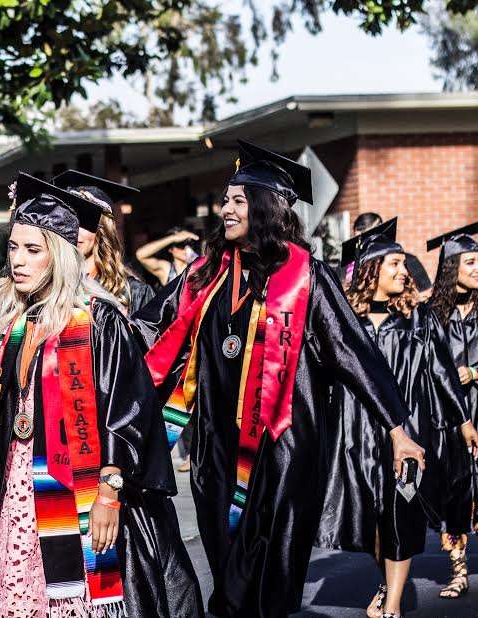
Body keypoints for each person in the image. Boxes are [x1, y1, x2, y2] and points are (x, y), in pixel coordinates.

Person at [132, 140, 426, 617]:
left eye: (237, 200)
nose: (225, 209)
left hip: (282, 445)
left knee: (264, 571)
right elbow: (148, 328)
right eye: (225, 200)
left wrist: (396, 429)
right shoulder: (205, 273)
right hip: (215, 445)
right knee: (225, 562)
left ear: (266, 207)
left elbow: (353, 350)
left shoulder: (305, 276)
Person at [0, 172, 203, 618]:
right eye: (14, 247)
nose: (18, 261)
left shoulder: (97, 322)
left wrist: (109, 495)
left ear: (58, 256)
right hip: (13, 493)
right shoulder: (12, 325)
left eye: (33, 250)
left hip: (75, 489)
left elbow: (127, 412)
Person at [316, 218, 478, 618]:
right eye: (394, 265)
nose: (404, 272)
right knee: (372, 521)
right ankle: (386, 581)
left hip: (407, 434)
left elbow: (443, 375)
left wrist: (464, 423)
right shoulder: (344, 324)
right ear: (370, 270)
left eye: (404, 266)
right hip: (356, 436)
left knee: (399, 517)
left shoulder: (418, 321)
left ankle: (392, 606)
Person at [424, 221, 478, 601]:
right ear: (451, 267)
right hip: (449, 419)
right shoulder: (432, 316)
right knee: (454, 495)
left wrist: (473, 371)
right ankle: (459, 571)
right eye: (471, 262)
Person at [53, 170, 155, 315]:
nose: (74, 231)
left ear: (103, 231)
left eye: (84, 223)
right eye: (67, 221)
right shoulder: (50, 288)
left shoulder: (133, 293)